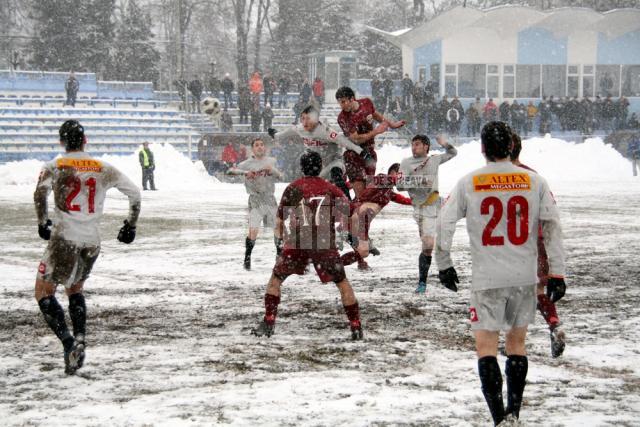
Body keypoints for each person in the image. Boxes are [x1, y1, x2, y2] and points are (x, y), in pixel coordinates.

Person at [435, 121, 566, 426]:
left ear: (482, 148)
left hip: (488, 277)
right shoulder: (534, 181)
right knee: (517, 345)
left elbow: (444, 221)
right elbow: (552, 226)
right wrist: (557, 272)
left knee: (486, 349)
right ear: (511, 146)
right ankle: (515, 412)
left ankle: (499, 419)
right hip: (524, 275)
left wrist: (444, 263)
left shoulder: (470, 182)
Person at [33, 120, 141, 375]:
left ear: (61, 142)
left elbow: (40, 193)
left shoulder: (56, 166)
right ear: (85, 140)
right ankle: (80, 337)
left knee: (43, 291)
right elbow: (135, 193)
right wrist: (130, 225)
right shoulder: (102, 168)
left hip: (64, 240)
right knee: (75, 288)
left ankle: (69, 343)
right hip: (91, 241)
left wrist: (42, 222)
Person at [251, 151, 362, 340]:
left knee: (276, 279)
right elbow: (353, 214)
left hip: (297, 242)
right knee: (342, 283)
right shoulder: (331, 188)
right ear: (320, 168)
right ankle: (356, 326)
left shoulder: (294, 188)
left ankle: (269, 321)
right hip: (324, 243)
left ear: (301, 168)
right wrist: (354, 237)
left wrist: (279, 243)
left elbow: (279, 219)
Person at [510, 133, 566, 357]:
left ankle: (512, 340)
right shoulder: (534, 176)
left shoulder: (494, 178)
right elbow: (550, 210)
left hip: (508, 244)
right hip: (536, 240)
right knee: (536, 289)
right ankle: (554, 323)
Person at [396, 134, 457, 294]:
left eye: (417, 144)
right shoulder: (406, 163)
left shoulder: (434, 159)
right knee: (428, 245)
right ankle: (422, 282)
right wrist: (420, 181)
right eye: (412, 144)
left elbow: (453, 153)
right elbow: (399, 185)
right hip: (422, 209)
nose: (414, 147)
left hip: (439, 203)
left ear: (426, 147)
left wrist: (445, 143)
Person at [269, 105, 366, 199]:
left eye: (308, 118)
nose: (305, 122)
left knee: (335, 173)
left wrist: (362, 152)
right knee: (303, 159)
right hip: (316, 168)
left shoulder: (326, 131)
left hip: (333, 163)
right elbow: (283, 134)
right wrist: (274, 134)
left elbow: (344, 141)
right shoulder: (299, 128)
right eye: (303, 118)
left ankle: (347, 202)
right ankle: (303, 200)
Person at [335, 86, 405, 199]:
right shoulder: (343, 118)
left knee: (366, 193)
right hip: (354, 155)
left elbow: (376, 115)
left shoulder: (366, 103)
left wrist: (392, 124)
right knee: (362, 195)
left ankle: (351, 211)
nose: (341, 106)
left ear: (352, 99)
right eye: (339, 103)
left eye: (343, 102)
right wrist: (376, 131)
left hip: (370, 154)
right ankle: (349, 209)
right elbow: (356, 139)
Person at [341, 163, 412, 270]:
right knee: (363, 249)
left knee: (363, 251)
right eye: (400, 173)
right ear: (392, 172)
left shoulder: (390, 193)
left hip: (360, 222)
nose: (402, 177)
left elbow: (406, 200)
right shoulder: (381, 178)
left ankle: (337, 265)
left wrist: (424, 200)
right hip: (354, 216)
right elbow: (353, 183)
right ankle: (339, 264)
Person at [227, 138, 283, 270]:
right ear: (252, 149)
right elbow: (230, 171)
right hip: (255, 199)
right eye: (257, 145)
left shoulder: (271, 161)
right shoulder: (246, 164)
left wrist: (273, 171)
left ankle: (279, 257)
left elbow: (282, 176)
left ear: (265, 148)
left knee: (278, 227)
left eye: (262, 145)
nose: (260, 147)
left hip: (269, 198)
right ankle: (247, 258)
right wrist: (245, 173)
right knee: (253, 231)